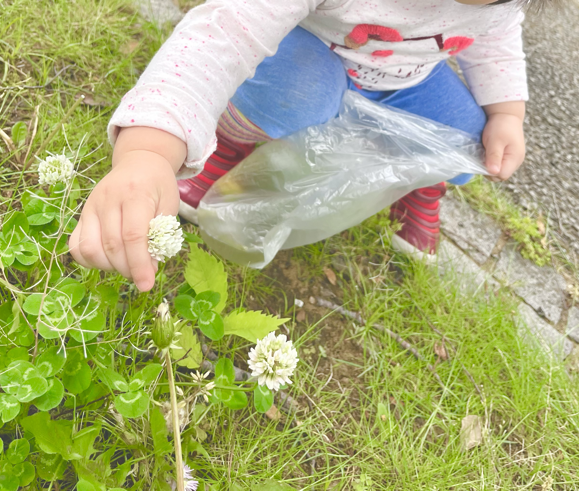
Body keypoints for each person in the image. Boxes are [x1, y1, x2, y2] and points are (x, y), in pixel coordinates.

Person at [69, 0, 534, 292]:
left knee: (470, 138)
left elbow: (496, 38)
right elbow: (227, 31)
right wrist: (149, 152)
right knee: (298, 97)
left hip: (405, 77)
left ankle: (416, 184)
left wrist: (508, 113)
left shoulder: (500, 6)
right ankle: (230, 144)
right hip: (308, 52)